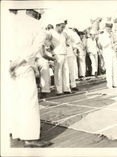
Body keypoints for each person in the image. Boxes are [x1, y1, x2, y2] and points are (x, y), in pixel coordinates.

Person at [8, 10, 52, 147]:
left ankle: (16, 132)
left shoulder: (12, 21)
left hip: (9, 63)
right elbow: (33, 50)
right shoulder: (38, 27)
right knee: (29, 100)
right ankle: (31, 137)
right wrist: (16, 63)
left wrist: (9, 63)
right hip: (23, 65)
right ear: (38, 14)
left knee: (15, 99)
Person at [50, 19, 71, 95]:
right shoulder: (51, 33)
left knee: (66, 71)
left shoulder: (64, 33)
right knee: (58, 73)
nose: (62, 29)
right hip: (57, 54)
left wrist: (67, 42)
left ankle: (66, 88)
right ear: (57, 25)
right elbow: (48, 43)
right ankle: (59, 90)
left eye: (64, 27)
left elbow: (68, 40)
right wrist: (52, 53)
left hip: (64, 53)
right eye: (62, 27)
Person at [98, 23, 117, 88]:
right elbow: (103, 45)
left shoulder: (112, 34)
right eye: (108, 28)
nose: (109, 29)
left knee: (115, 68)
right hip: (107, 52)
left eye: (110, 28)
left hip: (113, 51)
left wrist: (116, 44)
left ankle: (116, 83)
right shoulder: (102, 35)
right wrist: (109, 40)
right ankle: (109, 84)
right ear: (105, 28)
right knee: (109, 68)